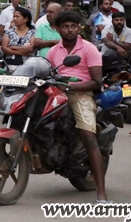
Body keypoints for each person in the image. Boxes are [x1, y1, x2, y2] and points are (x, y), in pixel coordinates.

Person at [45, 11, 107, 202]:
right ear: (58, 29)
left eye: (73, 26)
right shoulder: (53, 51)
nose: (70, 30)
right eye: (65, 26)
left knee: (88, 136)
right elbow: (47, 72)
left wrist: (70, 87)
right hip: (57, 93)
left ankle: (101, 192)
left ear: (79, 28)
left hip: (81, 94)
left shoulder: (89, 49)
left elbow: (96, 81)